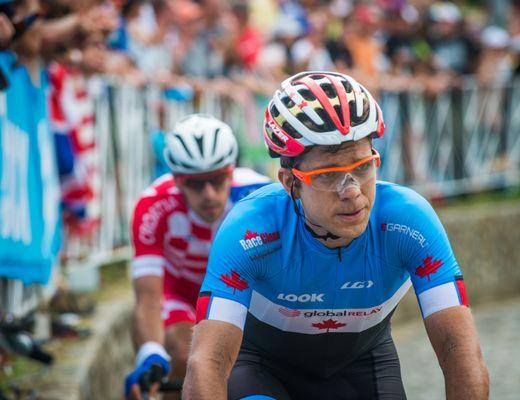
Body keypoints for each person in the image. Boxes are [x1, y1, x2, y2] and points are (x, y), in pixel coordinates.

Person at [183, 71, 489, 400]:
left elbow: (459, 352)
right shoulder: (250, 229)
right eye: (329, 175)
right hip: (263, 370)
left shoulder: (409, 222)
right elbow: (208, 364)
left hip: (361, 368)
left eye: (362, 166)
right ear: (290, 183)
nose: (352, 191)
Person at [125, 114, 270, 400]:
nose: (209, 194)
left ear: (232, 172)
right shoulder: (152, 205)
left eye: (218, 180)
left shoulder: (260, 196)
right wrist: (150, 353)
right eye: (195, 183)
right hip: (181, 295)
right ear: (177, 181)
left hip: (242, 296)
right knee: (183, 352)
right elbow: (148, 299)